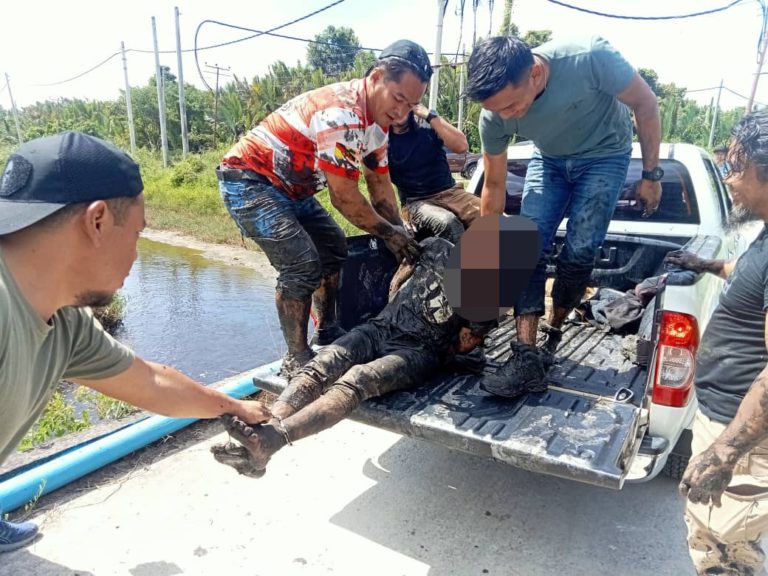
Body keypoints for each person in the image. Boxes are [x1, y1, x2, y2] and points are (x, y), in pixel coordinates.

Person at [0, 132, 271, 553]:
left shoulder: (65, 317)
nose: (136, 255)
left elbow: (150, 383)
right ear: (97, 221)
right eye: (137, 234)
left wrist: (234, 407)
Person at [217, 39, 432, 379]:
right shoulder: (342, 113)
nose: (402, 112)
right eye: (398, 98)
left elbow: (380, 188)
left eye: (411, 105)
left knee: (333, 246)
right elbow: (344, 197)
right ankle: (296, 358)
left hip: (293, 189)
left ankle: (328, 330)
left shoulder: (377, 126)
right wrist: (390, 235)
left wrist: (402, 234)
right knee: (301, 264)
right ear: (377, 77)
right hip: (250, 181)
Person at [464, 35, 662, 397]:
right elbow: (493, 184)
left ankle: (553, 330)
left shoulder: (590, 57)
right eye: (497, 110)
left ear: (535, 74)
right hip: (549, 159)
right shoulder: (493, 116)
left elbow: (645, 102)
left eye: (511, 105)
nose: (505, 116)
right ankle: (525, 357)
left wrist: (651, 175)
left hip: (606, 155)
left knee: (581, 251)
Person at [210, 237, 493, 477]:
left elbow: (462, 341)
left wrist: (440, 347)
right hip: (382, 329)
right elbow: (400, 281)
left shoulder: (466, 275)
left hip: (417, 349)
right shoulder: (444, 254)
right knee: (325, 362)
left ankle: (271, 439)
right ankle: (264, 435)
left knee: (357, 378)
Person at [669, 111, 768, 575]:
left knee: (724, 543)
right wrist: (706, 265)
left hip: (743, 438)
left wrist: (726, 451)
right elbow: (749, 279)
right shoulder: (765, 234)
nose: (728, 179)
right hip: (726, 420)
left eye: (735, 167)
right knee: (712, 536)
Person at [388, 104, 480, 243]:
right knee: (448, 223)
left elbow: (462, 146)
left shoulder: (430, 125)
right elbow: (381, 186)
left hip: (453, 193)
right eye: (394, 103)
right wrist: (396, 220)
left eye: (404, 102)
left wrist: (430, 115)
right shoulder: (381, 141)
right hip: (415, 202)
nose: (398, 109)